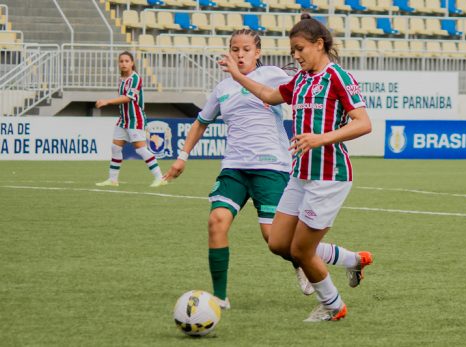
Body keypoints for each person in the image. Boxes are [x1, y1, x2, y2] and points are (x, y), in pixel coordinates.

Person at [164, 29, 370, 310]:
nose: (239, 54)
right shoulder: (232, 88)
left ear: (257, 52)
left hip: (289, 168)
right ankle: (221, 297)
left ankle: (331, 287)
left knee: (286, 242)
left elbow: (357, 118)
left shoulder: (304, 75)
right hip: (247, 168)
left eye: (246, 49)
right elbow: (258, 100)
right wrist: (183, 156)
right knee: (245, 232)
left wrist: (319, 137)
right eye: (234, 49)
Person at [218, 14, 373, 322]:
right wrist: (237, 75)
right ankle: (354, 260)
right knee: (278, 243)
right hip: (300, 174)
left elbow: (364, 123)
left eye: (300, 48)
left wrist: (320, 139)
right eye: (292, 51)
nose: (296, 56)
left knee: (302, 251)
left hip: (329, 176)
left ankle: (333, 306)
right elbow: (267, 94)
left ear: (319, 44)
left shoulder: (338, 77)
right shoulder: (301, 80)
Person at [95, 51, 166, 188]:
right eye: (121, 61)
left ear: (132, 63)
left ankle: (160, 177)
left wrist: (107, 101)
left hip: (135, 119)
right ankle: (113, 180)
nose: (123, 63)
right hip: (124, 119)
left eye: (127, 61)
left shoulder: (135, 78)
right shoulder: (122, 79)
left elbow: (128, 98)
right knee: (115, 147)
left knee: (141, 150)